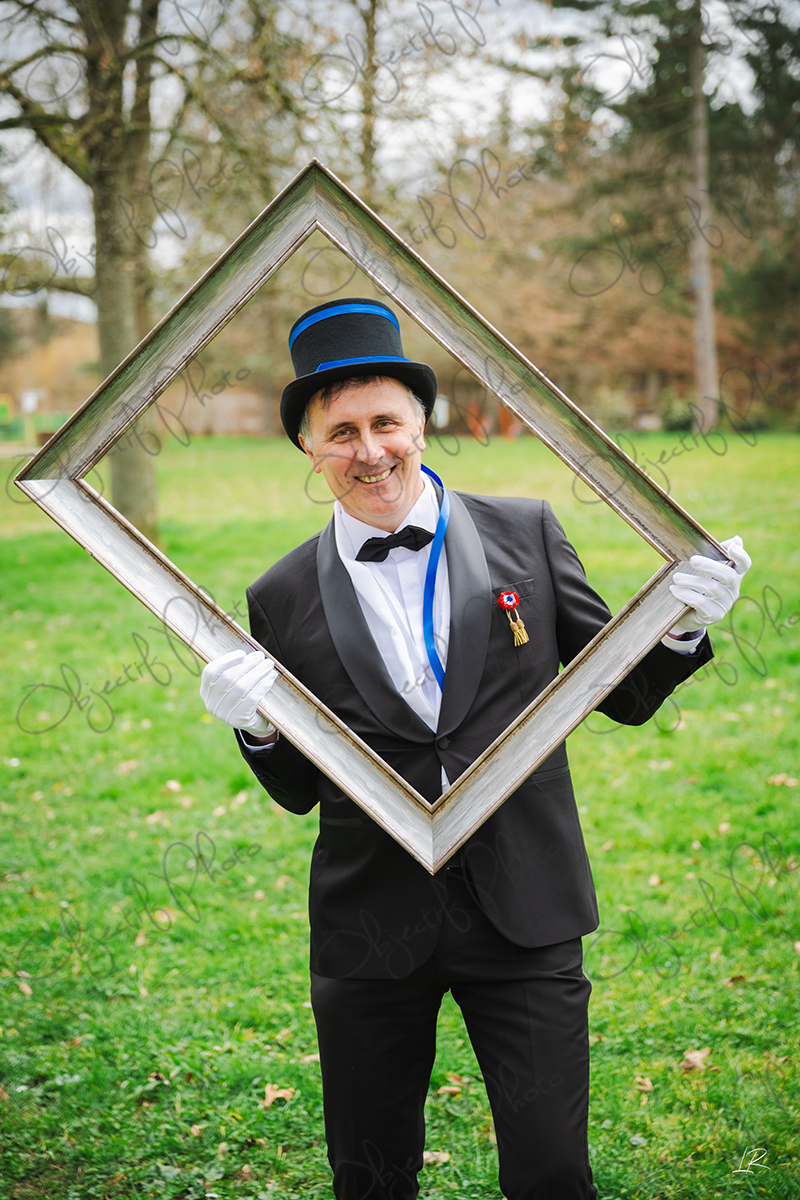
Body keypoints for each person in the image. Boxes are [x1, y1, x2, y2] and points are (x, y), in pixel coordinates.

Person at [200, 298, 751, 1199]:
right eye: (341, 432)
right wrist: (255, 728)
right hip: (370, 927)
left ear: (424, 422)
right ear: (307, 446)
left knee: (550, 1172)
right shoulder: (281, 593)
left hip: (525, 907)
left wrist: (682, 626)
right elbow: (300, 788)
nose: (370, 451)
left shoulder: (526, 531)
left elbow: (621, 693)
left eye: (387, 423)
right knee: (369, 1178)